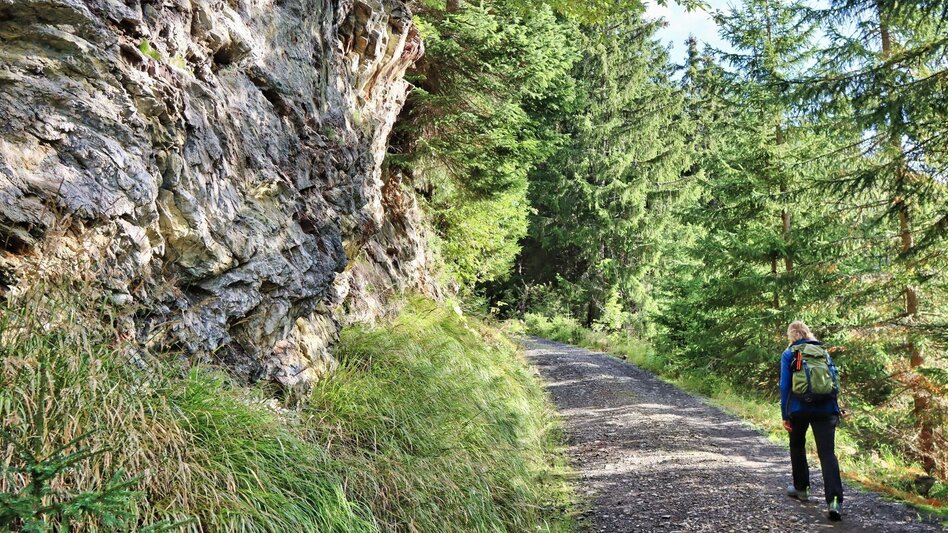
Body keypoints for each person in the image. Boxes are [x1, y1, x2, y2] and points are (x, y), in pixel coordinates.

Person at [779, 320, 843, 521]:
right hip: (826, 409)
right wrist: (835, 408)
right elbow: (834, 380)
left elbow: (784, 386)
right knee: (827, 454)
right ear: (808, 333)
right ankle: (834, 501)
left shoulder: (791, 354)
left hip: (799, 408)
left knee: (797, 446)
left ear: (791, 335)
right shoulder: (823, 353)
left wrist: (785, 414)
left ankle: (802, 489)